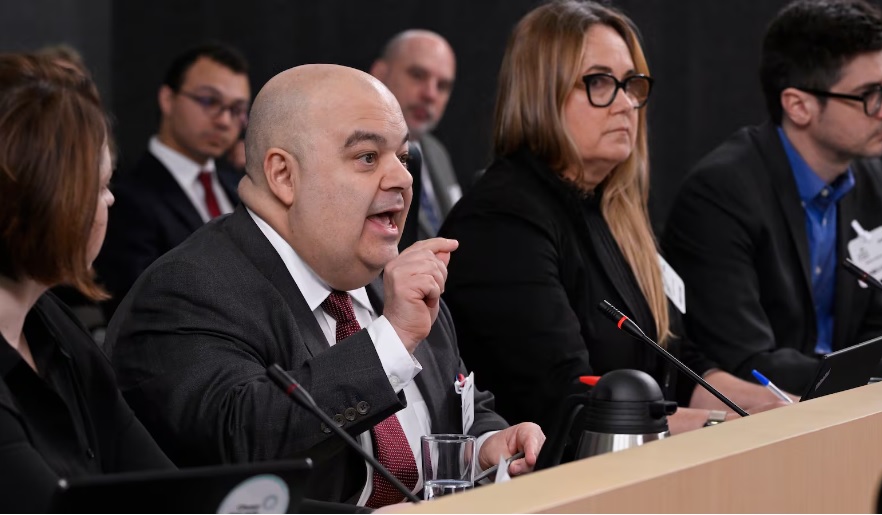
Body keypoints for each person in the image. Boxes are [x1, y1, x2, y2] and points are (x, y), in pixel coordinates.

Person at [105, 63, 544, 507]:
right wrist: (391, 341)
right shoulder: (188, 290)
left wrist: (484, 450)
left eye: (403, 157)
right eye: (367, 157)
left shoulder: (392, 281)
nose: (402, 178)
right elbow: (243, 448)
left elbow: (464, 409)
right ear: (283, 175)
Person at [439, 0, 785, 436]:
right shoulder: (501, 222)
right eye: (600, 82)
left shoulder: (613, 208)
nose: (625, 104)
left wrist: (778, 406)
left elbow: (677, 365)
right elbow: (567, 404)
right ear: (541, 92)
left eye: (631, 84)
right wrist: (729, 424)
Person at [661, 0, 882, 396]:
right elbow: (747, 362)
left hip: (849, 406)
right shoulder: (720, 194)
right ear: (798, 106)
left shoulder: (869, 178)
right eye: (869, 94)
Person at [0, 53, 173, 512]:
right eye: (99, 186)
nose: (110, 201)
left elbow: (167, 490)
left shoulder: (52, 323)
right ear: (49, 199)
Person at [94, 42, 251, 320]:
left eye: (237, 109)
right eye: (209, 101)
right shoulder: (125, 197)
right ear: (168, 99)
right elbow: (139, 303)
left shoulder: (243, 187)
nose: (225, 121)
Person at [371, 30, 462, 243]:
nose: (430, 94)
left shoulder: (436, 151)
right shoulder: (358, 151)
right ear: (380, 74)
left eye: (442, 86)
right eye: (418, 75)